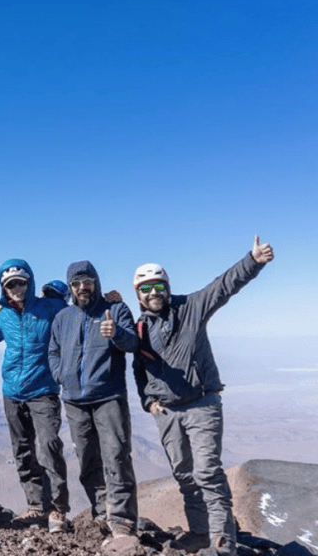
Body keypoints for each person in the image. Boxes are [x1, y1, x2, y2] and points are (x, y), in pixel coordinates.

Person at [131, 236, 274, 555]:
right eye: (146, 288)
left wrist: (251, 261)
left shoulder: (191, 307)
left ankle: (224, 540)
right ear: (138, 295)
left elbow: (223, 286)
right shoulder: (139, 329)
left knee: (207, 471)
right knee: (184, 474)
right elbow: (139, 369)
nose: (154, 293)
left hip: (202, 404)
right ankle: (199, 533)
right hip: (166, 413)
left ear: (167, 286)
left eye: (159, 286)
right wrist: (147, 400)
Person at [48, 261, 139, 538]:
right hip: (74, 400)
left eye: (87, 282)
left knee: (116, 457)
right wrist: (60, 374)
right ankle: (101, 512)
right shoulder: (63, 317)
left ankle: (122, 520)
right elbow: (53, 350)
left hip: (108, 397)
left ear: (95, 282)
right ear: (71, 288)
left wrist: (118, 334)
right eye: (76, 284)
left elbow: (134, 343)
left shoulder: (115, 310)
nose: (81, 288)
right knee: (87, 458)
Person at [0, 260, 70, 532]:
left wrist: (107, 299)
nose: (17, 288)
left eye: (21, 282)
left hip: (43, 390)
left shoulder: (50, 308)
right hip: (12, 392)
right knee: (22, 450)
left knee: (50, 446)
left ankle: (58, 509)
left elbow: (79, 313)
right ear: (4, 288)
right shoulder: (4, 316)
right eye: (10, 284)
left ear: (29, 282)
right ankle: (35, 506)